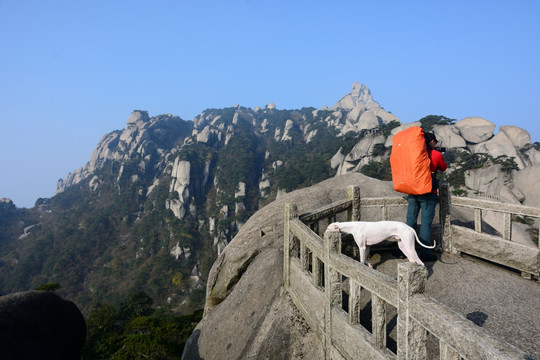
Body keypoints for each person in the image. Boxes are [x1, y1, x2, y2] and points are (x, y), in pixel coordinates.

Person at [406, 132, 447, 262]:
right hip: (428, 194)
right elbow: (443, 168)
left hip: (413, 192)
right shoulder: (436, 154)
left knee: (410, 222)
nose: (436, 143)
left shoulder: (414, 153)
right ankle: (425, 253)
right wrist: (436, 153)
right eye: (435, 141)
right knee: (425, 224)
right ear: (431, 142)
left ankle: (406, 250)